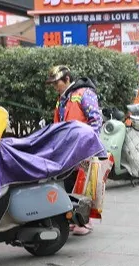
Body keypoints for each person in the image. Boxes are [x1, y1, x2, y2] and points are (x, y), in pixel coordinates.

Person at [46, 65, 103, 236]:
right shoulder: (63, 98)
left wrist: (88, 146)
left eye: (57, 83)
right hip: (67, 150)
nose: (55, 87)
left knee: (85, 184)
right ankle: (75, 218)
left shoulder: (84, 94)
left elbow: (96, 120)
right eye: (53, 84)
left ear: (67, 79)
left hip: (83, 148)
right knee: (71, 183)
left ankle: (86, 222)